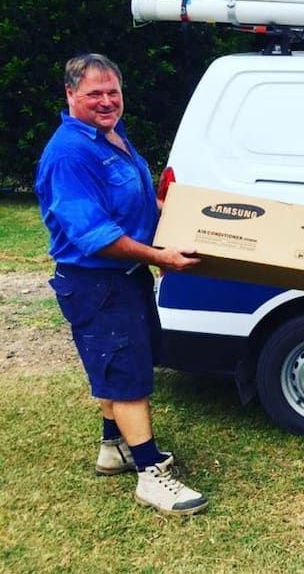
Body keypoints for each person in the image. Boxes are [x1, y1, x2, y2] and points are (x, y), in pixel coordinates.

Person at [35, 53, 208, 516]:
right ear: (70, 94)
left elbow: (131, 203)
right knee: (126, 375)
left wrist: (172, 213)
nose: (107, 101)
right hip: (97, 283)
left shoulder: (111, 136)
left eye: (113, 92)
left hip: (124, 278)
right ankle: (151, 476)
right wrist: (160, 256)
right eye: (95, 93)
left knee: (120, 365)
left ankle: (114, 447)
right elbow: (96, 236)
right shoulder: (70, 154)